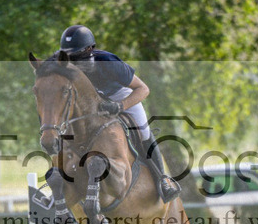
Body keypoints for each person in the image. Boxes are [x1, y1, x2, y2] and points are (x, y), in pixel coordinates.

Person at [58, 24, 180, 203]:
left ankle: (162, 178)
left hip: (120, 95)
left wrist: (120, 106)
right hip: (90, 102)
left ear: (90, 49)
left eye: (76, 57)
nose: (73, 62)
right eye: (69, 57)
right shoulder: (63, 62)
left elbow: (143, 89)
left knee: (143, 131)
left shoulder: (108, 62)